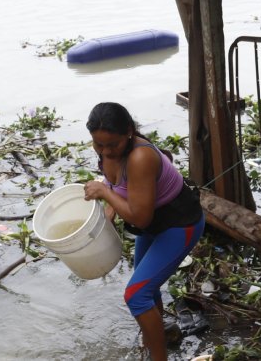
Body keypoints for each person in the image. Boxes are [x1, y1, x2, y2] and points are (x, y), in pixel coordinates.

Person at [83, 102, 205, 361]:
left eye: (112, 145)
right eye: (98, 145)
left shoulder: (140, 157)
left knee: (136, 295)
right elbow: (115, 184)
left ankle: (158, 357)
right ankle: (155, 338)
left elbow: (140, 216)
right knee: (147, 289)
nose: (105, 151)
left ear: (129, 131)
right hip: (151, 225)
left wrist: (104, 193)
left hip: (178, 224)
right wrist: (109, 208)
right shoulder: (109, 150)